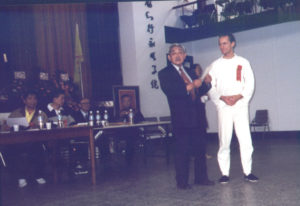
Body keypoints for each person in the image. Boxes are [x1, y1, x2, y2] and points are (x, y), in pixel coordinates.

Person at [158, 44, 214, 189]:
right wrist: (190, 86)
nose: (177, 55)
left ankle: (201, 178)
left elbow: (200, 90)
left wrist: (207, 84)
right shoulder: (164, 73)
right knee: (182, 152)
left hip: (198, 117)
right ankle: (182, 182)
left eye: (180, 52)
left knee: (200, 151)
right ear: (169, 57)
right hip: (181, 119)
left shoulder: (190, 71)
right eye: (173, 53)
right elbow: (171, 91)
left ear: (184, 55)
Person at [208, 33, 258, 184]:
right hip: (224, 106)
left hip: (240, 105)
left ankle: (248, 172)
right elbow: (210, 87)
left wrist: (238, 97)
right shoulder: (215, 65)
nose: (222, 47)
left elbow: (250, 84)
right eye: (220, 44)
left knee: (245, 139)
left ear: (233, 44)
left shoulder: (243, 62)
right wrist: (222, 98)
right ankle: (224, 173)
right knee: (224, 140)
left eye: (225, 43)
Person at [7, 90, 48, 188]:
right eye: (29, 99)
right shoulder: (16, 113)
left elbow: (45, 127)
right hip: (18, 142)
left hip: (36, 141)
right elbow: (8, 126)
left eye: (34, 99)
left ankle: (38, 175)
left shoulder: (41, 113)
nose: (32, 101)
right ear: (24, 100)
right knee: (16, 150)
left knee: (37, 148)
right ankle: (21, 177)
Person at [115, 94, 145, 165]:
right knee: (129, 137)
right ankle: (128, 160)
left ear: (130, 102)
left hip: (133, 132)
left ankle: (129, 160)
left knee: (131, 136)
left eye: (128, 101)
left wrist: (134, 116)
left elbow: (142, 120)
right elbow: (114, 122)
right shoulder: (118, 111)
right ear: (122, 102)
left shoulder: (135, 110)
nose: (127, 103)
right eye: (125, 101)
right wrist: (121, 117)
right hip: (121, 133)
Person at [192, 64, 213, 159]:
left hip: (200, 111)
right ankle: (194, 154)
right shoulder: (191, 81)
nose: (199, 71)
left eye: (200, 69)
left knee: (202, 133)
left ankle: (203, 153)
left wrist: (208, 83)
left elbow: (204, 89)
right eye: (197, 69)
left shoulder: (200, 81)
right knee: (194, 135)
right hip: (192, 113)